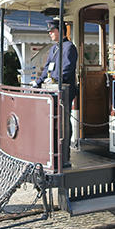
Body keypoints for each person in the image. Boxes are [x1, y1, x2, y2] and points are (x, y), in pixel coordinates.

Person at [32, 20, 78, 167]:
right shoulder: (53, 49)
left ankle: (66, 155)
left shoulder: (69, 48)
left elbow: (67, 70)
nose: (50, 33)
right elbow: (47, 68)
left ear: (60, 31)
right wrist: (38, 82)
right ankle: (54, 152)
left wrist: (53, 80)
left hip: (65, 90)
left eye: (52, 30)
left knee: (64, 120)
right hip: (52, 89)